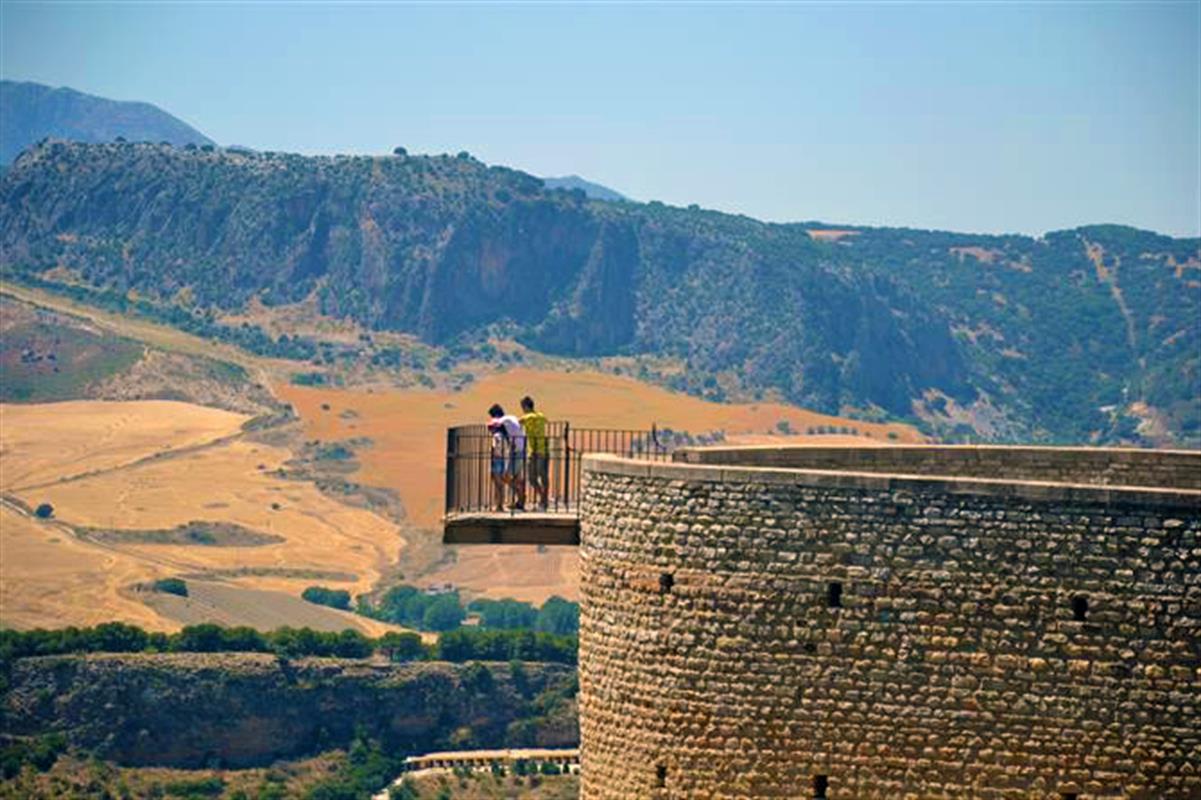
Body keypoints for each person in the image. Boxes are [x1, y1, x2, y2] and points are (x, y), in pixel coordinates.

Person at [487, 403, 526, 510]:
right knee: (517, 477)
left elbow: (492, 424)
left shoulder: (502, 420)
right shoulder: (511, 418)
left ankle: (521, 496)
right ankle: (519, 501)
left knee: (506, 478)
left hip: (516, 451)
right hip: (520, 449)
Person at [519, 396, 549, 510]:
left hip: (533, 451)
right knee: (543, 477)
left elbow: (517, 423)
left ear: (525, 407)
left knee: (532, 478)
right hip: (543, 450)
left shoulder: (527, 417)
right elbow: (545, 420)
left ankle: (543, 499)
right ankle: (543, 501)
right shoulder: (541, 416)